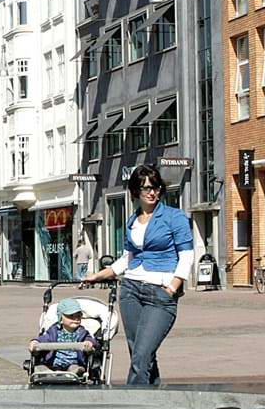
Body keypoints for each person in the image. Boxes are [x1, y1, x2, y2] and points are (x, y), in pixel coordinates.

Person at [81, 164, 193, 386]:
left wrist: (172, 287)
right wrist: (99, 275)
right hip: (131, 290)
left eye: (156, 187)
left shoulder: (174, 217)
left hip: (160, 293)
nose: (152, 193)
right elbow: (128, 258)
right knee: (140, 354)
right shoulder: (132, 221)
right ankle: (152, 398)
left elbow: (187, 256)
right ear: (136, 191)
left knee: (142, 355)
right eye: (146, 188)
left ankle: (131, 400)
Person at [33, 299, 94, 377]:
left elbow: (90, 339)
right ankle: (48, 373)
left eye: (78, 316)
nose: (76, 319)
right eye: (71, 316)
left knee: (75, 368)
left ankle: (74, 372)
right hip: (52, 364)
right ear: (60, 319)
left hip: (73, 363)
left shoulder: (82, 332)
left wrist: (89, 343)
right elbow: (44, 339)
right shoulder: (53, 331)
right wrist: (35, 342)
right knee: (39, 367)